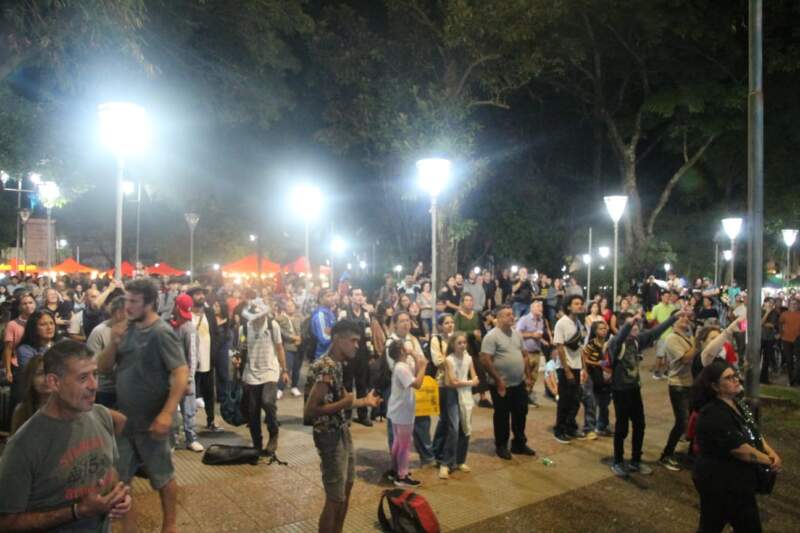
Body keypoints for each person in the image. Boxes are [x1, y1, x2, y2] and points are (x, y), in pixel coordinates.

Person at [0, 340, 131, 532]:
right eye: (83, 378)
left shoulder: (101, 415)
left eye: (95, 374)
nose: (94, 385)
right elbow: (6, 523)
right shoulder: (24, 445)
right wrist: (77, 511)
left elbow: (108, 470)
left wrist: (117, 497)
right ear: (54, 382)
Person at [96, 279, 189, 533]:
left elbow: (181, 373)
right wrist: (114, 342)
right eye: (126, 300)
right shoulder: (125, 330)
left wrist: (167, 413)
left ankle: (169, 525)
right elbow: (102, 369)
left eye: (134, 301)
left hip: (152, 421)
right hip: (126, 422)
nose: (128, 306)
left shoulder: (161, 332)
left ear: (149, 303)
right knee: (120, 479)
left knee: (162, 477)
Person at [305, 320, 382, 533]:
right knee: (334, 498)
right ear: (338, 339)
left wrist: (363, 402)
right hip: (328, 436)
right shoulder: (325, 366)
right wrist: (345, 403)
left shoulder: (337, 364)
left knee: (346, 489)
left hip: (340, 430)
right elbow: (311, 410)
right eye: (353, 341)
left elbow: (337, 402)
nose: (357, 346)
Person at [693, 361, 782, 532]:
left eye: (735, 375)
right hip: (719, 481)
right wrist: (769, 460)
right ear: (715, 386)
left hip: (736, 480)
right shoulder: (713, 413)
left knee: (713, 524)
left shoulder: (738, 402)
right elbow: (739, 449)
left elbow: (752, 430)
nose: (736, 379)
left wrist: (770, 451)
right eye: (729, 378)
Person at [607, 309, 681, 477]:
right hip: (620, 391)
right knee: (622, 427)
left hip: (634, 389)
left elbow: (656, 332)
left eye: (636, 326)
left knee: (640, 425)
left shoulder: (636, 341)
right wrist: (629, 323)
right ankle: (618, 461)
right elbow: (620, 336)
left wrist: (673, 318)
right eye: (632, 326)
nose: (636, 329)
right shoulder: (616, 343)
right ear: (622, 326)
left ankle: (635, 461)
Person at [480, 305, 535, 460]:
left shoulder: (517, 334)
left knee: (521, 412)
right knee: (502, 416)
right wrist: (498, 380)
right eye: (508, 315)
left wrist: (528, 375)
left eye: (512, 314)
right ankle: (501, 445)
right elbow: (485, 360)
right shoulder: (492, 336)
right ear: (498, 318)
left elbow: (524, 355)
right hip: (500, 384)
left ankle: (519, 443)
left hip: (518, 383)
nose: (512, 317)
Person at [238, 298, 288, 456]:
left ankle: (273, 434)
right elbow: (241, 349)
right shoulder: (244, 329)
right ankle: (257, 443)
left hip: (270, 371)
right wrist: (237, 359)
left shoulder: (273, 326)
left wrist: (284, 370)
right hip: (251, 372)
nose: (256, 319)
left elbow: (279, 348)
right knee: (252, 411)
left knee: (267, 402)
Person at [387, 338, 428, 487]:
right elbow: (417, 384)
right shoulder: (401, 368)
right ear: (402, 351)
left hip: (398, 409)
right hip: (402, 411)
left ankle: (395, 470)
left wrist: (417, 361)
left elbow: (414, 377)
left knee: (398, 442)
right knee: (404, 444)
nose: (410, 348)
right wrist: (423, 366)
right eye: (407, 347)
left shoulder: (401, 366)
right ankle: (402, 476)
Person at [659, 307, 697, 471]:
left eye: (687, 317)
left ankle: (692, 453)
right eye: (681, 317)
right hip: (679, 385)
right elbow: (686, 359)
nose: (686, 319)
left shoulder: (687, 337)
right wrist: (699, 343)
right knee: (681, 422)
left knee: (692, 420)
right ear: (674, 320)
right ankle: (666, 455)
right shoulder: (672, 339)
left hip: (691, 384)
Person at [439, 331, 478, 479]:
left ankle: (460, 460)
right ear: (453, 345)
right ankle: (445, 463)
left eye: (464, 342)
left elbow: (474, 375)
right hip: (452, 395)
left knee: (466, 427)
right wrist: (469, 382)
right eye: (459, 343)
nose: (462, 345)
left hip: (466, 395)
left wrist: (472, 380)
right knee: (454, 429)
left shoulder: (468, 358)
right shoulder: (449, 360)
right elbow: (451, 382)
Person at [337, 287, 374, 426]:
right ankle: (346, 415)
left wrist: (370, 354)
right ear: (351, 297)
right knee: (347, 384)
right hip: (348, 352)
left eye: (361, 294)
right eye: (356, 295)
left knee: (362, 384)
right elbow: (339, 334)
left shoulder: (365, 314)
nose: (359, 297)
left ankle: (363, 415)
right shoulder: (344, 312)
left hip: (362, 353)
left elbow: (369, 336)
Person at [171, 293, 204, 452]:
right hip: (171, 376)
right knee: (171, 410)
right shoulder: (172, 325)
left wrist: (190, 379)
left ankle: (191, 438)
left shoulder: (189, 329)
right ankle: (173, 439)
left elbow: (192, 355)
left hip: (184, 376)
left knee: (188, 409)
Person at [552, 295, 587, 444]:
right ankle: (559, 429)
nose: (580, 306)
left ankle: (570, 426)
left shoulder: (578, 323)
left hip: (577, 365)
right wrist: (566, 370)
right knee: (565, 400)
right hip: (565, 367)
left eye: (581, 303)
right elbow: (559, 347)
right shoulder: (561, 323)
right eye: (576, 303)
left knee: (575, 399)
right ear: (568, 306)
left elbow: (580, 347)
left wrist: (584, 367)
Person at [188, 287, 222, 431]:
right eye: (197, 294)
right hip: (190, 361)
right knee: (190, 393)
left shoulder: (209, 312)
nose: (201, 296)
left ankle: (211, 420)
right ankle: (189, 425)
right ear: (191, 297)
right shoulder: (186, 314)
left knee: (209, 391)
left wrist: (214, 352)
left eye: (202, 294)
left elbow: (215, 333)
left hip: (208, 359)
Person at [85, 295, 127, 408]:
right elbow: (91, 363)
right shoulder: (100, 331)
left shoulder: (135, 330)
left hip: (127, 390)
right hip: (106, 391)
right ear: (118, 313)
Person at [454, 293, 490, 407]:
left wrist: (479, 336)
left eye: (471, 300)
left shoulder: (476, 315)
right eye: (466, 300)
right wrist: (471, 333)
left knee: (480, 370)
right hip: (463, 347)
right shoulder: (458, 316)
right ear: (462, 302)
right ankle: (463, 397)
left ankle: (483, 397)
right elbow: (456, 332)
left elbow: (481, 330)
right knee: (464, 372)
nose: (469, 302)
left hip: (475, 346)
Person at [3, 291, 36, 405]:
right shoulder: (13, 324)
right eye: (25, 303)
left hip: (37, 364)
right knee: (19, 400)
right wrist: (8, 371)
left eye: (31, 302)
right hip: (19, 366)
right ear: (20, 307)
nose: (28, 305)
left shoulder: (39, 321)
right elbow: (8, 348)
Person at [581, 321, 612, 438]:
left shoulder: (608, 344)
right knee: (591, 402)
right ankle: (589, 428)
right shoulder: (591, 344)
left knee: (604, 403)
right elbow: (584, 358)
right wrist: (597, 363)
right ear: (595, 331)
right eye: (600, 329)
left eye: (605, 328)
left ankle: (602, 425)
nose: (603, 330)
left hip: (606, 377)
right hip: (593, 375)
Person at [9, 354, 51, 434]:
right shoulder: (21, 410)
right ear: (31, 379)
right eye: (40, 374)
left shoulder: (67, 408)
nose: (46, 379)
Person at [517, 300, 547, 407]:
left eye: (541, 307)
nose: (541, 309)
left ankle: (527, 397)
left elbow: (539, 334)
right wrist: (532, 335)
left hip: (537, 352)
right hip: (526, 353)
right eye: (538, 307)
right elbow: (518, 333)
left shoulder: (541, 320)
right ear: (532, 308)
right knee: (525, 376)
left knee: (533, 377)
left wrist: (543, 341)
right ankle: (521, 399)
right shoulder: (524, 319)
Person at [276, 298, 303, 397]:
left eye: (292, 305)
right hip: (287, 347)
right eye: (288, 306)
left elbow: (303, 329)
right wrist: (292, 337)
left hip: (299, 347)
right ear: (285, 308)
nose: (290, 307)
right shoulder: (280, 318)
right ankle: (280, 388)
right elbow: (280, 331)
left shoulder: (299, 317)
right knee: (286, 368)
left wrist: (300, 338)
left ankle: (294, 386)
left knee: (297, 368)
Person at [651, 291, 677, 380]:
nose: (667, 298)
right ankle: (656, 372)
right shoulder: (656, 307)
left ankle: (666, 371)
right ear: (661, 297)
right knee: (660, 354)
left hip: (671, 334)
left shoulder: (672, 307)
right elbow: (651, 319)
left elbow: (676, 319)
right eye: (665, 296)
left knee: (668, 356)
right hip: (661, 334)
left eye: (668, 296)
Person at [779, 298, 800, 385]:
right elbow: (780, 324)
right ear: (789, 305)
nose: (793, 305)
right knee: (788, 360)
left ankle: (797, 379)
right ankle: (791, 380)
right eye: (792, 303)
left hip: (798, 338)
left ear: (798, 305)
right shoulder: (784, 314)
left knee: (799, 360)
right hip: (786, 339)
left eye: (795, 303)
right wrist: (781, 333)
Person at [312, 289, 337, 359]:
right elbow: (324, 338)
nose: (332, 298)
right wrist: (338, 338)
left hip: (332, 354)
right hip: (323, 356)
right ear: (320, 300)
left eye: (332, 295)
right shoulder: (321, 315)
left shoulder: (330, 313)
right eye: (328, 296)